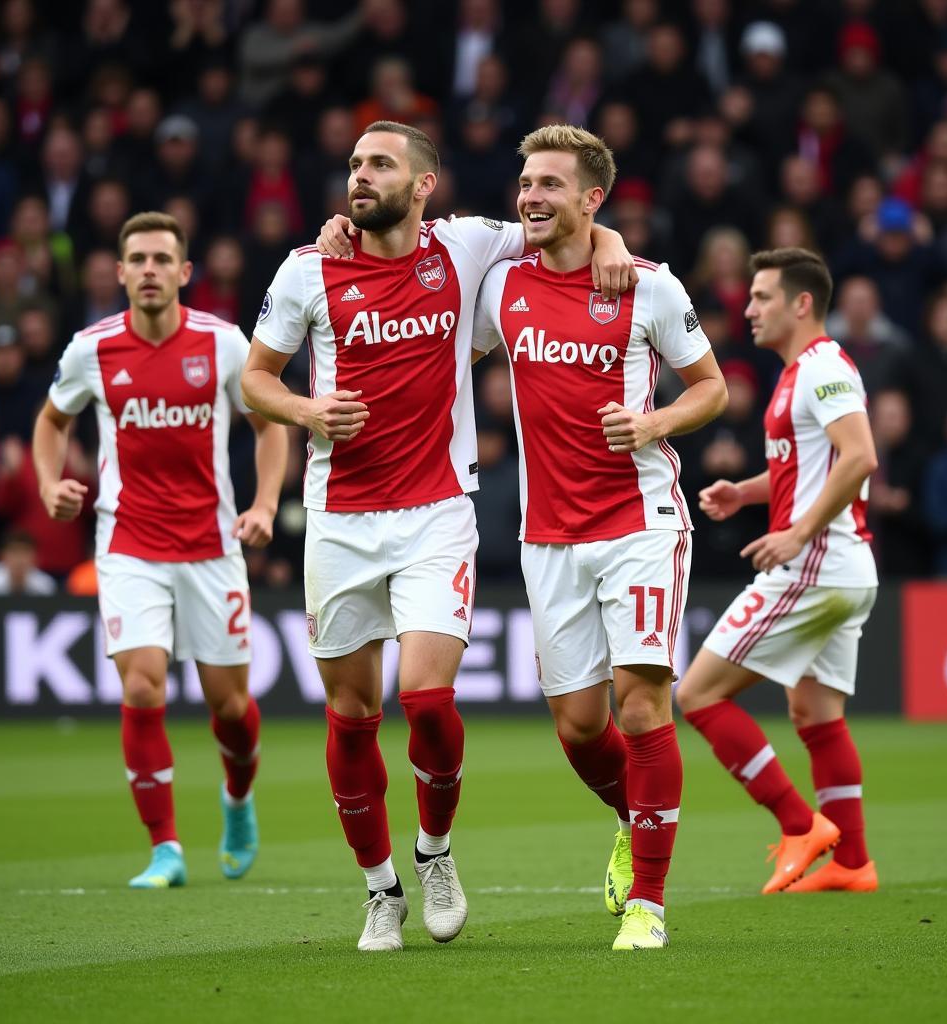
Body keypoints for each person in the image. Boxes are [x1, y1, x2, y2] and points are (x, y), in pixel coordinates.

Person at [240, 119, 635, 952]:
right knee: (351, 716)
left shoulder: (466, 247)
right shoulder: (309, 268)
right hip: (340, 516)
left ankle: (435, 852)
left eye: (380, 164)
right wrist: (310, 411)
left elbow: (558, 223)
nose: (360, 176)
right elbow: (255, 381)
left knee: (425, 700)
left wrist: (611, 236)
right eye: (353, 164)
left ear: (424, 185)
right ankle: (380, 889)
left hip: (435, 511)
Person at [472, 125, 727, 951]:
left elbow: (712, 388)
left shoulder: (647, 287)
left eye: (550, 183)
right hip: (547, 533)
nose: (531, 196)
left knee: (642, 701)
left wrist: (652, 421)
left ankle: (649, 904)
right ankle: (632, 816)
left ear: (591, 198)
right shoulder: (500, 287)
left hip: (638, 522)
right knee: (580, 726)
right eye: (525, 183)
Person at [32, 211, 288, 889]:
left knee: (229, 706)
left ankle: (237, 799)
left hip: (211, 544)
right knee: (142, 681)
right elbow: (52, 421)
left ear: (184, 273)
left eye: (160, 259)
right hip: (129, 543)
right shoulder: (92, 348)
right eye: (137, 259)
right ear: (119, 273)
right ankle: (166, 849)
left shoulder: (224, 344)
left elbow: (270, 427)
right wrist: (48, 480)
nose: (148, 270)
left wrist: (263, 505)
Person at [675, 247, 880, 895]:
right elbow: (814, 467)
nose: (750, 307)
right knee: (814, 713)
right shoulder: (801, 373)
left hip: (819, 564)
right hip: (846, 566)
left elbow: (860, 457)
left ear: (801, 304)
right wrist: (749, 493)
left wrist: (796, 532)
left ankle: (800, 825)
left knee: (698, 694)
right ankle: (853, 863)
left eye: (763, 297)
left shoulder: (821, 370)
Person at [0, 528, 56, 595]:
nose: (19, 559)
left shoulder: (45, 585)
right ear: (2, 556)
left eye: (25, 552)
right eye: (14, 552)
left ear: (35, 557)